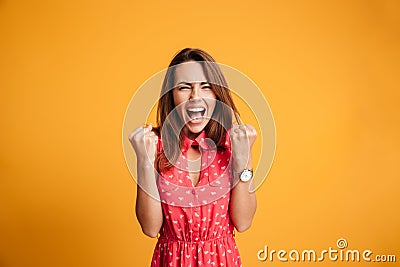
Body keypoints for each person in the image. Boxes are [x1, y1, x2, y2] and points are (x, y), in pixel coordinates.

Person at [129, 48, 257, 266]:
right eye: (184, 87)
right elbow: (150, 229)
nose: (195, 96)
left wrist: (244, 158)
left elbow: (243, 222)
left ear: (217, 94)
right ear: (171, 94)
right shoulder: (154, 146)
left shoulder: (233, 144)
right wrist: (143, 161)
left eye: (205, 87)